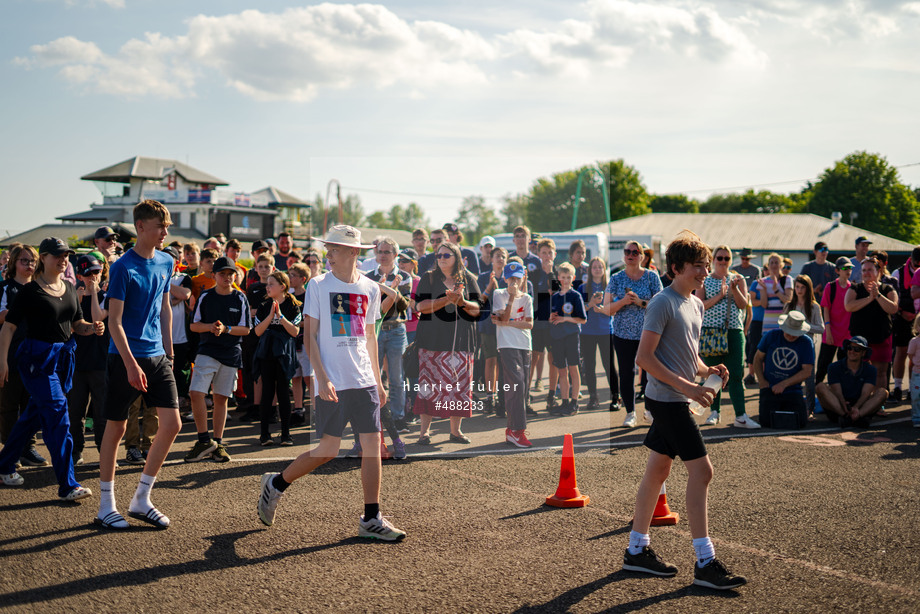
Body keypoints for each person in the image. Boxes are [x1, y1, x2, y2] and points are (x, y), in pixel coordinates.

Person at [256, 225, 406, 541]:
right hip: (332, 381)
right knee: (327, 450)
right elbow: (309, 335)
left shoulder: (370, 288)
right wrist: (321, 378)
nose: (328, 253)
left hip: (363, 379)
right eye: (328, 248)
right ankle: (276, 484)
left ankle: (371, 516)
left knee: (371, 449)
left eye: (334, 248)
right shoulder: (318, 285)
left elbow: (370, 336)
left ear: (353, 252)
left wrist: (378, 382)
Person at [624, 231, 744, 590]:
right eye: (698, 266)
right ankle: (705, 562)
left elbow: (689, 354)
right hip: (666, 399)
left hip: (676, 396)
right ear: (676, 268)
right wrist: (689, 387)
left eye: (707, 265)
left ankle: (636, 550)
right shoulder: (662, 302)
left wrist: (707, 371)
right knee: (703, 472)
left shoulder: (693, 303)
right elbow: (643, 358)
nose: (705, 271)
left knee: (658, 470)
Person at [95, 200, 180, 530]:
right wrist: (131, 365)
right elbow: (114, 322)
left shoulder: (166, 261)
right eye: (161, 226)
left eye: (168, 227)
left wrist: (169, 354)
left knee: (172, 425)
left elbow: (164, 309)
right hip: (123, 358)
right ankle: (106, 505)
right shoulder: (122, 267)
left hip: (158, 356)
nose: (165, 232)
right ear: (141, 227)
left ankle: (141, 499)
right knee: (115, 428)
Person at [0, 237, 101, 501]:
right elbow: (8, 326)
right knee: (59, 416)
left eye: (65, 254)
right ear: (43, 258)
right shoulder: (30, 291)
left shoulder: (69, 287)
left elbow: (77, 323)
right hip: (36, 359)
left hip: (63, 358)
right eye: (57, 254)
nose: (63, 258)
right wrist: (1, 361)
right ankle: (68, 485)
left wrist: (92, 328)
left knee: (33, 414)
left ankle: (4, 464)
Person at [412, 241, 481, 445]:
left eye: (446, 255)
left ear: (456, 258)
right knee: (428, 386)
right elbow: (420, 306)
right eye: (439, 255)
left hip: (461, 341)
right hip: (431, 340)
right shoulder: (429, 277)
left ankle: (455, 432)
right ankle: (424, 433)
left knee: (458, 387)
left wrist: (462, 302)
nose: (441, 258)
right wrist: (445, 300)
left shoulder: (468, 279)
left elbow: (478, 309)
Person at [185, 257, 251, 462]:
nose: (227, 277)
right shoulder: (205, 296)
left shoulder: (240, 298)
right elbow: (194, 326)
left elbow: (247, 329)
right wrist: (211, 327)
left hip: (231, 353)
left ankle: (218, 443)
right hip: (207, 351)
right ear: (214, 275)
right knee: (195, 393)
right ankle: (203, 440)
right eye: (222, 273)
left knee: (221, 399)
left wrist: (226, 329)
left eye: (230, 273)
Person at [602, 240, 663, 427]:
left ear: (642, 256)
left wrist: (640, 302)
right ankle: (630, 412)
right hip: (623, 334)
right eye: (627, 251)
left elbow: (661, 305)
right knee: (626, 374)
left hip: (648, 333)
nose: (630, 255)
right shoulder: (616, 278)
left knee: (651, 373)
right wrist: (622, 302)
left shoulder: (652, 277)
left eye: (635, 252)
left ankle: (649, 410)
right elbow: (606, 309)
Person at [695, 245, 755, 428]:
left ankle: (740, 415)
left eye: (726, 258)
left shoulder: (738, 278)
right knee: (714, 374)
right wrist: (720, 295)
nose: (722, 261)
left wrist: (734, 289)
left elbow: (743, 305)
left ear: (730, 260)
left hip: (733, 330)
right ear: (713, 260)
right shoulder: (705, 280)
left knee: (736, 374)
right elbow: (700, 305)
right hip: (710, 331)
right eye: (719, 258)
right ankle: (715, 412)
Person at [0, 244, 48, 467]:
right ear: (13, 264)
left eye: (32, 260)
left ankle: (28, 447)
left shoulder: (42, 288)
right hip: (10, 354)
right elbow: (2, 317)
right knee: (9, 403)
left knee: (31, 403)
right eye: (24, 260)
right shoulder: (6, 288)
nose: (29, 264)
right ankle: (11, 449)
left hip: (36, 356)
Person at [67, 254, 110, 465]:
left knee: (102, 411)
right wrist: (78, 299)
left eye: (96, 272)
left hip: (101, 362)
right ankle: (76, 451)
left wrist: (93, 294)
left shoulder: (108, 295)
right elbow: (66, 326)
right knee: (76, 411)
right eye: (88, 274)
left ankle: (105, 451)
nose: (93, 277)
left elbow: (98, 319)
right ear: (79, 276)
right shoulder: (71, 296)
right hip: (77, 362)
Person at [365, 238, 411, 429]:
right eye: (380, 252)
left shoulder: (404, 276)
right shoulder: (368, 276)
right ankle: (373, 416)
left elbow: (403, 305)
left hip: (396, 329)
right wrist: (390, 289)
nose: (382, 255)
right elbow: (368, 305)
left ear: (395, 255)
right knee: (371, 376)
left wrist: (392, 291)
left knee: (396, 377)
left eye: (386, 252)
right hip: (374, 330)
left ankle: (398, 417)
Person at [254, 271, 302, 446]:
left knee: (283, 393)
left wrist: (280, 316)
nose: (267, 287)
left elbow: (295, 332)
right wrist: (270, 316)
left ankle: (286, 435)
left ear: (282, 286)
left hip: (285, 353)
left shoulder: (293, 305)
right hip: (267, 352)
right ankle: (264, 434)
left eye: (271, 284)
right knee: (267, 393)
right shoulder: (264, 305)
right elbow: (258, 331)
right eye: (267, 284)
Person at [491, 262, 534, 447]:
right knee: (516, 385)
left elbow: (529, 324)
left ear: (523, 277)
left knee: (522, 390)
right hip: (507, 345)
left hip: (525, 345)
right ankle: (518, 431)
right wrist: (510, 299)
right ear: (505, 279)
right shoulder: (499, 294)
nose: (514, 282)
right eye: (511, 278)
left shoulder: (527, 298)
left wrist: (506, 323)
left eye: (518, 278)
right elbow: (503, 319)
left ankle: (511, 430)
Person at [753, 311, 814, 429]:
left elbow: (807, 371)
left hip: (793, 390)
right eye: (789, 332)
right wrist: (761, 381)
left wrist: (784, 384)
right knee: (766, 422)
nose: (791, 336)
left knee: (800, 422)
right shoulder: (771, 336)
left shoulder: (806, 342)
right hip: (769, 387)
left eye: (794, 334)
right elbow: (757, 358)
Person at [845, 257, 897, 391]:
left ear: (878, 271)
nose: (866, 273)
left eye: (870, 269)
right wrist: (869, 298)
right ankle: (858, 402)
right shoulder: (855, 288)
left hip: (881, 337)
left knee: (880, 372)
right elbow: (848, 306)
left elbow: (893, 308)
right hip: (859, 339)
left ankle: (879, 404)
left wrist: (878, 295)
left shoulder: (887, 289)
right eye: (864, 270)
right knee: (857, 370)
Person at [816, 336, 887, 428]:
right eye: (850, 348)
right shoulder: (834, 367)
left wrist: (856, 408)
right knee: (820, 386)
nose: (852, 351)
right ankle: (846, 417)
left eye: (857, 349)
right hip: (839, 404)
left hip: (861, 405)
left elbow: (866, 393)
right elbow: (837, 392)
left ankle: (858, 416)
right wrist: (844, 406)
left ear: (863, 353)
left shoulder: (871, 369)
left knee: (883, 392)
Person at [548, 263, 587, 416]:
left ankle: (574, 402)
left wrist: (565, 319)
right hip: (557, 337)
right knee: (561, 370)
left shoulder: (575, 296)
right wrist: (551, 318)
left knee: (573, 368)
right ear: (558, 278)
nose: (565, 280)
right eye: (562, 277)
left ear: (573, 278)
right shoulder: (555, 297)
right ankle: (564, 402)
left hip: (571, 336)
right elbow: (551, 317)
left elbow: (583, 319)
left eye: (568, 277)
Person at [783, 276, 824, 417]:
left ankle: (809, 409)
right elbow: (783, 324)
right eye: (797, 287)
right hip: (791, 345)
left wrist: (805, 327)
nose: (799, 290)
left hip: (808, 344)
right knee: (789, 375)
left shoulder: (814, 306)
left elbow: (821, 328)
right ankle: (790, 405)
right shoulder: (789, 305)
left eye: (802, 287)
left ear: (808, 289)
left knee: (809, 378)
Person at [581, 257, 617, 411]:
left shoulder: (610, 287)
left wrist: (602, 308)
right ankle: (593, 397)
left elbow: (615, 308)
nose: (596, 269)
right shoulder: (583, 287)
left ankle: (616, 396)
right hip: (587, 332)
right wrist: (591, 304)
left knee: (609, 365)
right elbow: (579, 309)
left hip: (605, 331)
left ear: (604, 269)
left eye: (599, 267)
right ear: (590, 270)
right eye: (594, 267)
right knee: (589, 366)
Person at [477, 247, 508, 415]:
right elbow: (479, 302)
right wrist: (489, 287)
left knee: (504, 361)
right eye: (497, 256)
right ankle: (490, 396)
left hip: (506, 326)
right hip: (487, 325)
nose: (500, 259)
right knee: (490, 360)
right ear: (491, 258)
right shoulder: (483, 277)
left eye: (503, 256)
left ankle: (503, 397)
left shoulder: (509, 277)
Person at [531, 238, 559, 405]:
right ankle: (526, 396)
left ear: (554, 254)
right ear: (538, 254)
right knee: (534, 357)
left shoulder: (557, 272)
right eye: (544, 253)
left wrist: (550, 274)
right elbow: (532, 298)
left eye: (550, 253)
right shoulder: (534, 274)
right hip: (537, 323)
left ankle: (551, 394)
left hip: (554, 323)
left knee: (553, 359)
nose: (547, 256)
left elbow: (556, 293)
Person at [816, 257, 853, 383]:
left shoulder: (853, 288)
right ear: (837, 270)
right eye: (844, 268)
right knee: (823, 366)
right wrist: (828, 331)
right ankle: (816, 391)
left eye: (850, 268)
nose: (848, 270)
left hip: (847, 335)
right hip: (831, 332)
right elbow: (825, 309)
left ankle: (842, 395)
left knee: (844, 368)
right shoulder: (830, 287)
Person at [891, 247, 920, 404]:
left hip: (918, 318)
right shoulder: (898, 273)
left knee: (915, 355)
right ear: (911, 260)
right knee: (901, 352)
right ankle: (897, 386)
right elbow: (894, 298)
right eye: (916, 264)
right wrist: (901, 312)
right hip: (902, 317)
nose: (917, 267)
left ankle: (912, 387)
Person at [287, 263, 311, 425]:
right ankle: (298, 409)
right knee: (295, 377)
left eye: (293, 275)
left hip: (307, 342)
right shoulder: (289, 297)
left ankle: (317, 410)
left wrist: (296, 323)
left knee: (309, 377)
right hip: (292, 342)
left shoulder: (309, 296)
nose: (290, 278)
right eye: (289, 274)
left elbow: (311, 320)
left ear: (303, 279)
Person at [760, 253, 793, 333]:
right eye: (771, 263)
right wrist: (764, 289)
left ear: (781, 265)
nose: (774, 265)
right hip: (768, 323)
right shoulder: (763, 281)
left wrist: (776, 290)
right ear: (768, 265)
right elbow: (764, 305)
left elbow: (788, 300)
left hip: (783, 322)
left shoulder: (787, 279)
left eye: (776, 262)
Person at [907, 319, 920, 428]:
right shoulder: (914, 341)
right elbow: (910, 355)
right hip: (917, 373)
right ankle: (916, 417)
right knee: (916, 396)